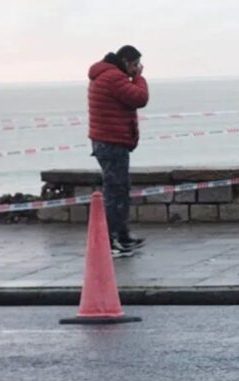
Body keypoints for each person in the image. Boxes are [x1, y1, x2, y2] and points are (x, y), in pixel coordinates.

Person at [87, 45, 149, 258]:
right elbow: (139, 98)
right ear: (125, 61)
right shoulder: (113, 77)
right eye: (134, 65)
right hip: (112, 142)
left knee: (120, 189)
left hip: (107, 142)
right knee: (115, 192)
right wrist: (139, 78)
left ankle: (122, 236)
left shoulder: (103, 75)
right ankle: (112, 239)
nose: (136, 69)